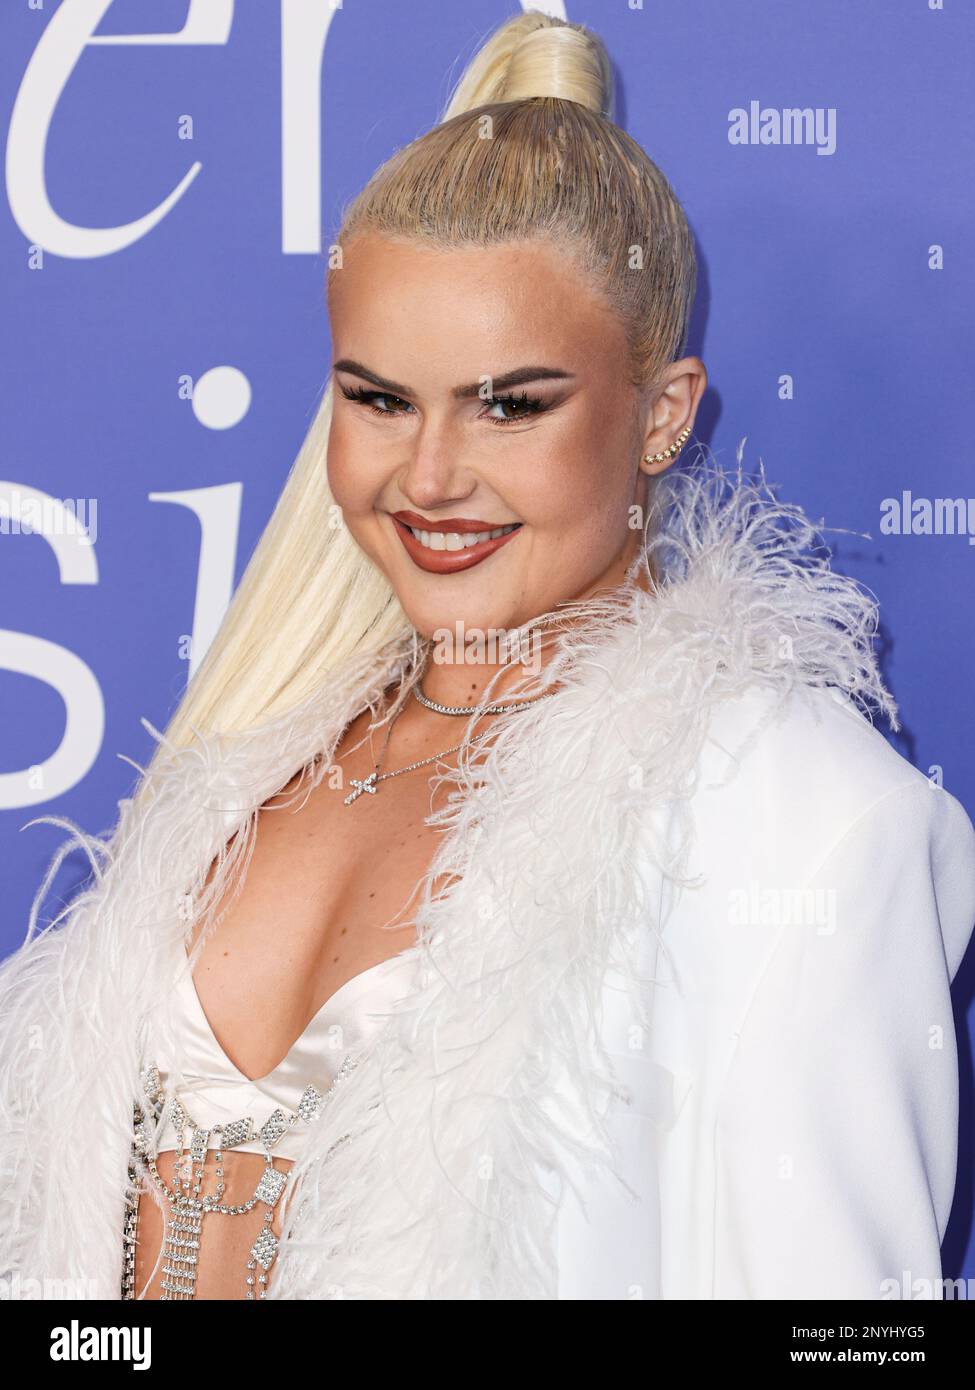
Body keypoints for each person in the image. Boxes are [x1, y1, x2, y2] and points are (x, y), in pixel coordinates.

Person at [2, 10, 974, 1302]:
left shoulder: (802, 820)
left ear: (663, 415)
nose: (432, 476)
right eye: (380, 398)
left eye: (511, 403)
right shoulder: (240, 773)